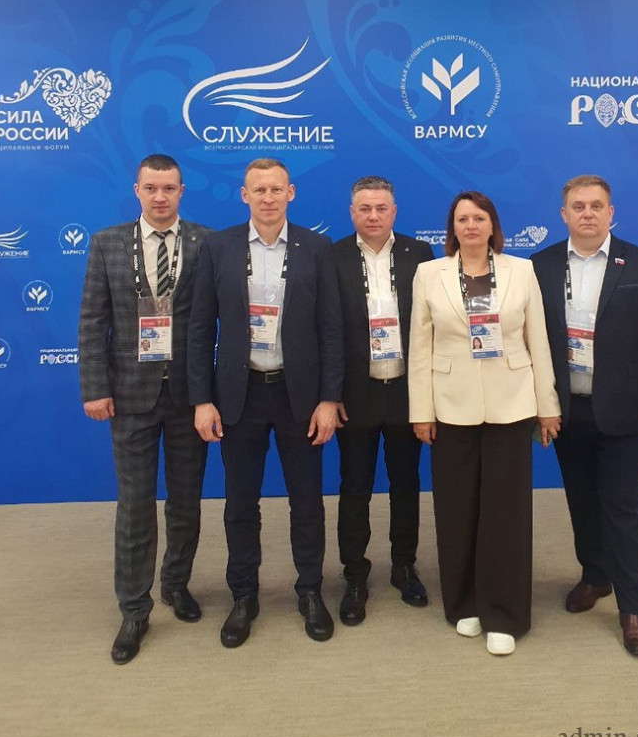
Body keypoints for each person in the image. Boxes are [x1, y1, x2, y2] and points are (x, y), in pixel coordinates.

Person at [188, 158, 344, 646]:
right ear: (244, 195)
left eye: (277, 189)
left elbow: (331, 330)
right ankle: (243, 596)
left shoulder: (316, 248)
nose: (268, 197)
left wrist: (329, 398)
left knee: (307, 502)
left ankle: (310, 591)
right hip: (240, 396)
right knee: (240, 504)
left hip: (300, 397)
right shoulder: (218, 247)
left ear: (291, 193)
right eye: (259, 190)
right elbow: (199, 329)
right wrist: (202, 400)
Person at [531, 174, 638, 658]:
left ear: (611, 213)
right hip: (566, 409)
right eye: (578, 206)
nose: (588, 213)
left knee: (622, 507)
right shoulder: (540, 265)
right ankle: (595, 576)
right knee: (582, 501)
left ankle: (633, 608)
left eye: (597, 205)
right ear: (563, 215)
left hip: (624, 410)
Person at [408, 191, 560, 656]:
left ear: (493, 225)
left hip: (512, 404)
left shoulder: (522, 270)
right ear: (452, 228)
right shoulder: (429, 274)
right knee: (457, 510)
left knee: (505, 513)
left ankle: (505, 614)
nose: (470, 225)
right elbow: (420, 347)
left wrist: (547, 405)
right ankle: (465, 603)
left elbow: (538, 340)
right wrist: (420, 411)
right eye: (462, 219)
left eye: (479, 218)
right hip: (449, 406)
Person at [78, 153, 209, 665]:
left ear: (181, 192)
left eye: (169, 188)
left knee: (186, 501)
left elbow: (215, 320)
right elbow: (93, 321)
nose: (160, 197)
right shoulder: (107, 243)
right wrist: (94, 388)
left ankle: (176, 583)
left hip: (189, 397)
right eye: (151, 188)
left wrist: (211, 394)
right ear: (137, 190)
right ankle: (134, 609)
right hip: (130, 396)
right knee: (135, 507)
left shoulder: (204, 242)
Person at [332, 176, 434, 625]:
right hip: (356, 393)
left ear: (394, 211)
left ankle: (404, 567)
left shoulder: (420, 254)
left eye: (381, 208)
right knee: (354, 488)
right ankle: (355, 575)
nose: (373, 216)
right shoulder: (333, 256)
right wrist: (330, 394)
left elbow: (433, 326)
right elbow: (326, 331)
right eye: (364, 208)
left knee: (405, 484)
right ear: (352, 213)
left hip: (406, 391)